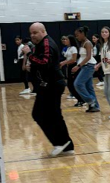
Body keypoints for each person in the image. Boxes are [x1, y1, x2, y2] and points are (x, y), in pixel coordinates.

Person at [23, 22, 74, 156]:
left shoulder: (47, 43)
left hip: (52, 85)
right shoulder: (41, 44)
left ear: (42, 31)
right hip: (47, 84)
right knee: (51, 114)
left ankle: (62, 142)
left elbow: (45, 62)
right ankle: (65, 144)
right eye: (31, 33)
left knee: (42, 114)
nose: (32, 36)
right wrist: (32, 66)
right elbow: (43, 63)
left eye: (35, 33)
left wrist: (29, 55)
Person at [72, 26, 100, 113]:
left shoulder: (88, 43)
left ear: (82, 33)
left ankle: (90, 100)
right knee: (89, 87)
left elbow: (88, 57)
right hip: (86, 66)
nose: (76, 37)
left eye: (77, 35)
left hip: (89, 66)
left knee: (77, 84)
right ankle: (95, 106)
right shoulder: (82, 43)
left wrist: (78, 66)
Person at [60, 35, 84, 107]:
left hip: (73, 67)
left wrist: (64, 63)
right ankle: (80, 99)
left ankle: (81, 99)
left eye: (66, 39)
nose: (65, 41)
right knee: (70, 85)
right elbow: (68, 58)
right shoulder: (68, 48)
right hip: (69, 67)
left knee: (72, 84)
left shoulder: (73, 48)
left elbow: (73, 59)